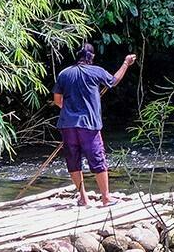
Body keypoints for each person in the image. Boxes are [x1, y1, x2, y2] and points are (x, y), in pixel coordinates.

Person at [54, 44, 135, 207]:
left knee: (73, 160)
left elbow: (57, 100)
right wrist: (126, 63)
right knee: (97, 159)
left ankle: (83, 199)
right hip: (89, 124)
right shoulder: (96, 71)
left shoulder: (64, 73)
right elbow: (113, 80)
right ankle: (106, 198)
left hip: (67, 124)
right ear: (91, 57)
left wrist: (69, 111)